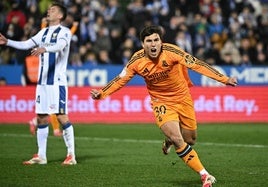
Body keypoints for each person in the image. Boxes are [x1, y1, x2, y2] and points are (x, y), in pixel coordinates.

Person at [91, 25, 238, 187]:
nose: (153, 44)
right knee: (178, 139)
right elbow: (120, 79)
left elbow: (197, 64)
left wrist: (224, 79)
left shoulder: (172, 51)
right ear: (142, 44)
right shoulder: (136, 61)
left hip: (183, 99)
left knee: (190, 139)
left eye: (156, 40)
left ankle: (168, 140)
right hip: (161, 102)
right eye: (149, 41)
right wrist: (102, 93)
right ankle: (205, 175)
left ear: (161, 42)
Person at [0, 2, 76, 165]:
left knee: (62, 117)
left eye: (53, 10)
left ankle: (71, 156)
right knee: (41, 118)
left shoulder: (65, 31)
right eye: (49, 9)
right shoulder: (43, 32)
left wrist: (45, 49)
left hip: (56, 82)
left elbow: (60, 46)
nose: (49, 11)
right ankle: (41, 156)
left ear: (60, 16)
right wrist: (8, 42)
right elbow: (27, 44)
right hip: (42, 83)